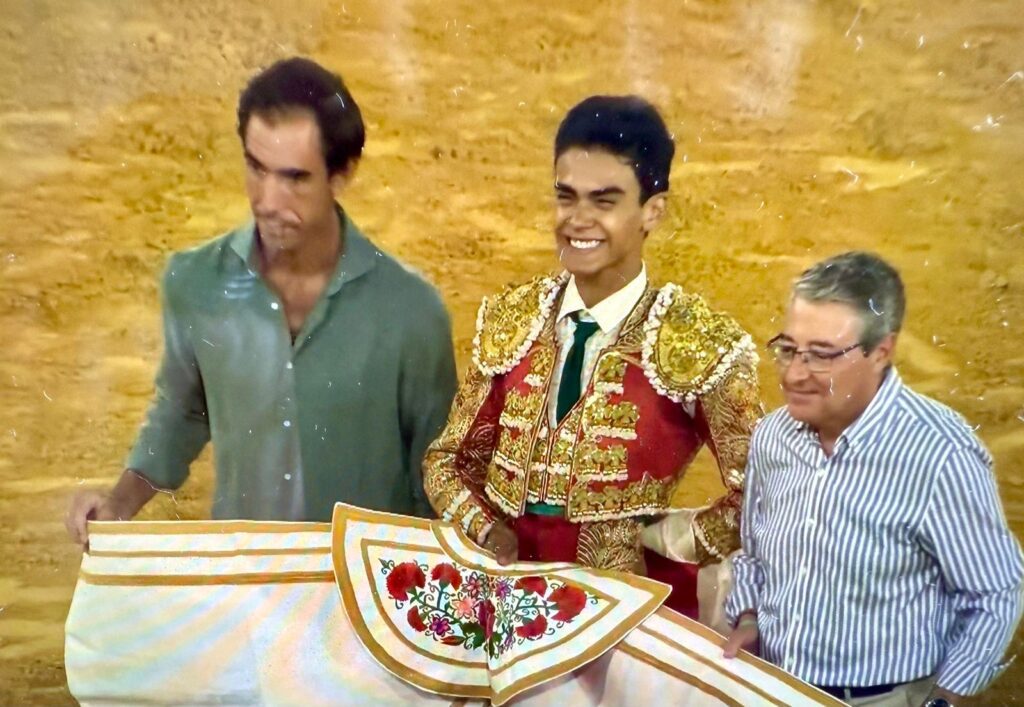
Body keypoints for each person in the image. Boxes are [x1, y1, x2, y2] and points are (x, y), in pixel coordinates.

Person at [66, 57, 457, 542]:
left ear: (342, 175)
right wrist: (118, 505)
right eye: (256, 168)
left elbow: (441, 476)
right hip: (245, 593)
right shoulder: (195, 283)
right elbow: (184, 410)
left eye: (294, 178)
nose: (268, 200)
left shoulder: (412, 313)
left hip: (360, 599)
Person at [422, 95, 763, 620]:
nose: (577, 220)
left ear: (653, 210)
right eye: (566, 197)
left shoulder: (696, 342)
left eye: (604, 201)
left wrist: (674, 541)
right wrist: (488, 529)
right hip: (505, 603)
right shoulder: (514, 318)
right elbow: (447, 463)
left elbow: (765, 494)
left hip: (623, 616)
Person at [722, 252, 1024, 706]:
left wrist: (944, 699)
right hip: (774, 688)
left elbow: (995, 591)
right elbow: (756, 551)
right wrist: (749, 618)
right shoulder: (773, 436)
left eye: (821, 355)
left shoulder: (940, 454)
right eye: (787, 349)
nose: (794, 374)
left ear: (881, 351)